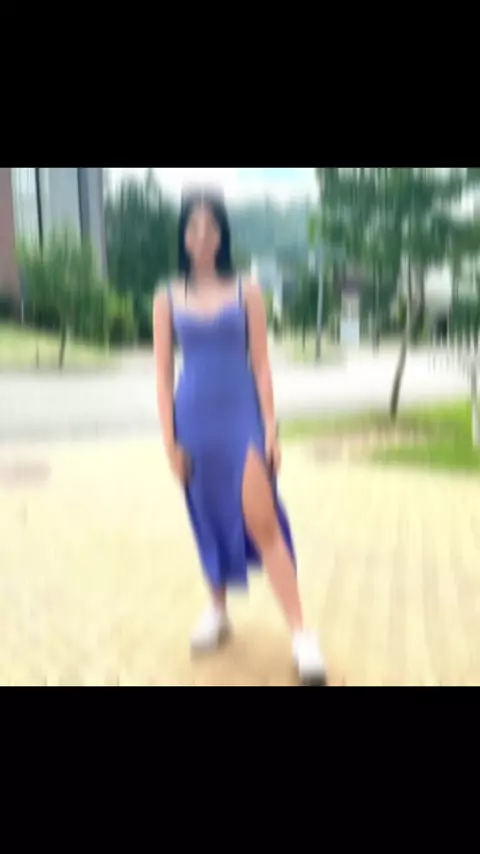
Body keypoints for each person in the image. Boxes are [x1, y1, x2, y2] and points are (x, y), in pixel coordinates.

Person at [153, 189, 327, 686]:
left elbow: (263, 365)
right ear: (183, 238)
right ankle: (217, 610)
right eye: (193, 227)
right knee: (207, 515)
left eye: (211, 226)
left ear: (222, 235)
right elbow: (162, 376)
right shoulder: (166, 297)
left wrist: (270, 427)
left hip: (240, 420)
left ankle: (301, 633)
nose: (202, 235)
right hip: (193, 423)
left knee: (263, 520)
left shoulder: (247, 290)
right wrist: (170, 442)